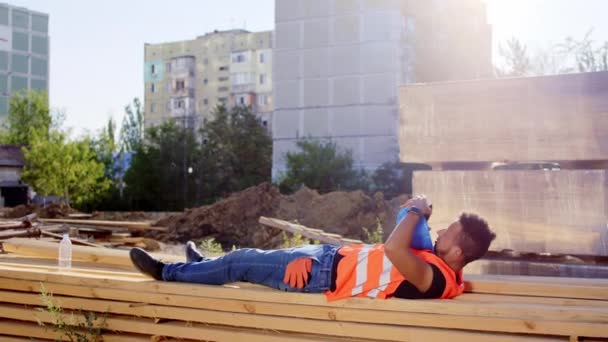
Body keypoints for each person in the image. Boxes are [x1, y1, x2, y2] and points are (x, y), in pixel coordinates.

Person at [130, 195, 496, 300]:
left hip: (318, 276)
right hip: (327, 261)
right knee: (245, 258)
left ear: (458, 253)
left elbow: (394, 250)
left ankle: (167, 272)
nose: (441, 231)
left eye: (448, 232)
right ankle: (201, 266)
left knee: (242, 262)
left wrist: (416, 210)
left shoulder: (435, 279)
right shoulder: (443, 267)